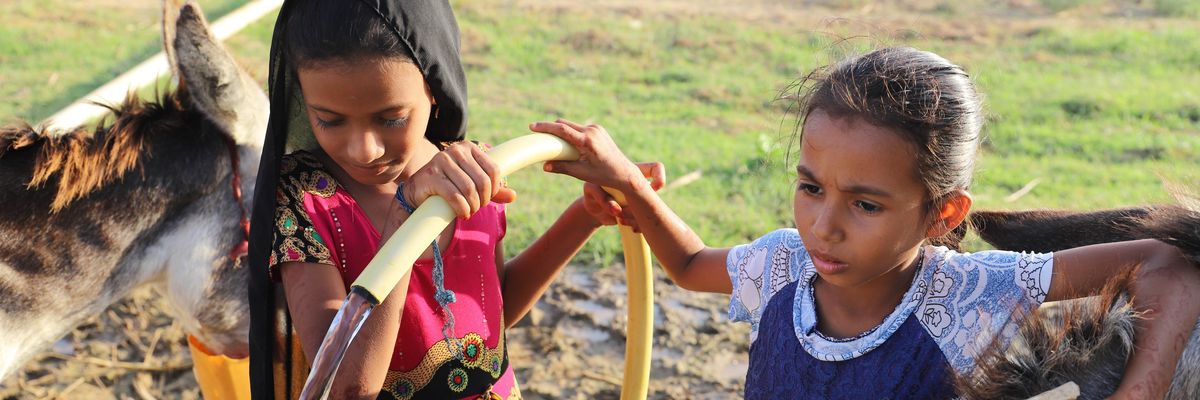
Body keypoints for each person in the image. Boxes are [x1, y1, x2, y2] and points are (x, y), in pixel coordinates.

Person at [531, 47, 1200, 399]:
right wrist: (627, 182)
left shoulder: (970, 295)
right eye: (810, 187)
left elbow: (1166, 264)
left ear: (944, 213)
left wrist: (1138, 393)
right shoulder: (784, 266)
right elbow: (687, 264)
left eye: (865, 204)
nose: (823, 227)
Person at [244, 1, 659, 398]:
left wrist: (582, 218)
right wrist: (404, 219)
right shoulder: (304, 201)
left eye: (391, 118)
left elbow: (492, 310)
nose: (363, 149)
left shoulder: (472, 173)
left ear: (434, 87)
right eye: (329, 120)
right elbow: (340, 388)